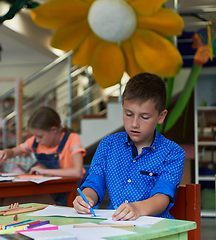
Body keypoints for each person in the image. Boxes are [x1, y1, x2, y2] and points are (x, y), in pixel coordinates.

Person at [73, 72, 185, 220]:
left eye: (144, 117)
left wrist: (137, 209)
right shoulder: (108, 145)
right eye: (128, 114)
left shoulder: (172, 153)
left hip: (154, 229)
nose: (134, 124)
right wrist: (85, 198)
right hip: (113, 226)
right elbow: (94, 183)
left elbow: (162, 196)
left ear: (161, 116)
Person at [0, 106, 86, 206]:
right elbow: (13, 152)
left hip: (67, 192)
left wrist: (45, 171)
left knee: (6, 202)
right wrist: (5, 153)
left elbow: (77, 172)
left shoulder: (72, 138)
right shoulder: (36, 141)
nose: (37, 140)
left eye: (40, 136)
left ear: (54, 130)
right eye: (35, 136)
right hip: (46, 188)